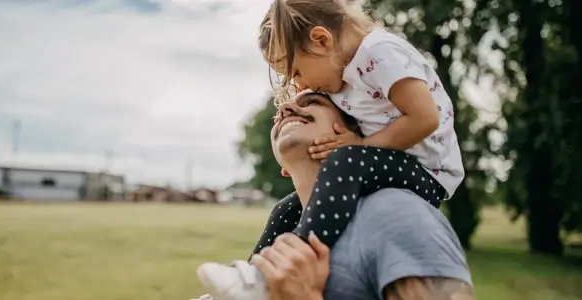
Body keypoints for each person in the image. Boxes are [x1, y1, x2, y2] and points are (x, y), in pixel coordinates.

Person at [197, 0, 465, 298]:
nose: (297, 91)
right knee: (285, 209)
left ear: (322, 40)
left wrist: (361, 144)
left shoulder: (382, 53)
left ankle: (299, 254)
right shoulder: (349, 75)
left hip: (428, 173)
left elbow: (425, 118)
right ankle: (252, 279)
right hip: (390, 161)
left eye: (296, 73)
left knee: (348, 158)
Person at [192, 92, 473, 300]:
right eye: (279, 116)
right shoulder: (284, 225)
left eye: (312, 102)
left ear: (354, 133)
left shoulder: (396, 213)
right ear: (283, 169)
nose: (286, 108)